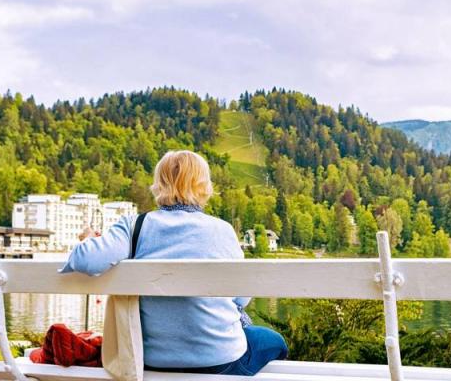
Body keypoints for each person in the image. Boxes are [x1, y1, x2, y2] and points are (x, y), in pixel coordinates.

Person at [61, 150, 288, 376]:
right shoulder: (223, 231)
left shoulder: (134, 227)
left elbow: (85, 260)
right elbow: (242, 299)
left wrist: (91, 239)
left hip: (152, 360)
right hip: (220, 361)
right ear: (204, 186)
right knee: (273, 341)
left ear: (159, 184)